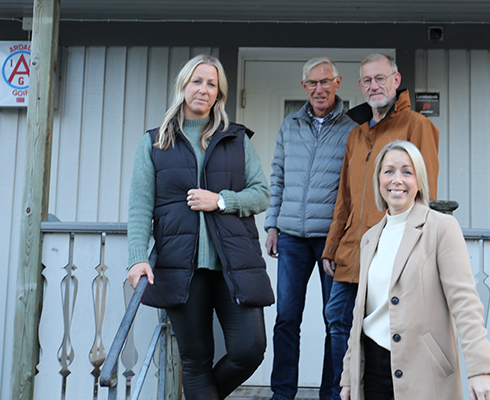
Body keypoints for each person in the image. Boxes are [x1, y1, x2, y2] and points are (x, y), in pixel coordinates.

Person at [126, 54, 273, 400]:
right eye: (197, 81)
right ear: (183, 87)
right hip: (182, 267)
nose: (203, 90)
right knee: (195, 361)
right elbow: (139, 207)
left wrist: (221, 201)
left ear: (219, 94)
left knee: (249, 349)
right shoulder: (154, 143)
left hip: (233, 265)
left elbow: (262, 194)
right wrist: (136, 258)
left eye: (211, 84)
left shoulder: (236, 140)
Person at [340, 140, 490, 400]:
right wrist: (349, 376)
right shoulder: (370, 238)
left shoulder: (441, 228)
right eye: (388, 171)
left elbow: (465, 302)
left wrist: (481, 368)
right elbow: (361, 315)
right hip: (371, 371)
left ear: (419, 180)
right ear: (378, 179)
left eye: (407, 171)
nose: (397, 180)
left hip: (424, 371)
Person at [321, 53, 440, 400]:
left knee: (388, 335)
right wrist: (331, 246)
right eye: (367, 81)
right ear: (360, 86)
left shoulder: (417, 126)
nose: (374, 86)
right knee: (338, 324)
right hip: (350, 254)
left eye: (380, 78)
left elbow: (425, 190)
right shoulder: (356, 135)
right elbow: (344, 197)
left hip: (390, 255)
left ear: (396, 79)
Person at [265, 57, 357, 400]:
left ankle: (333, 393)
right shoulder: (290, 125)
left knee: (335, 321)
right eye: (311, 84)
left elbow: (351, 189)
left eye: (325, 82)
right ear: (304, 87)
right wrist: (272, 224)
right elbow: (278, 177)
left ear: (337, 82)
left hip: (331, 241)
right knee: (286, 318)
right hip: (290, 238)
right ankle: (282, 393)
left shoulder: (351, 130)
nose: (319, 89)